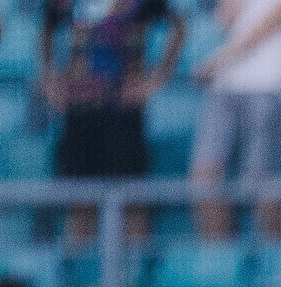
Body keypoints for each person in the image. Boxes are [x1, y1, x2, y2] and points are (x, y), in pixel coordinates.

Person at [42, 0, 181, 249]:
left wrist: (158, 76)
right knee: (81, 202)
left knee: (132, 200)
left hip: (124, 112)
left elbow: (178, 25)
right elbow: (47, 26)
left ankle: (137, 271)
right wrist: (48, 77)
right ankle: (78, 271)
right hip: (80, 111)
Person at [192, 0, 281, 241]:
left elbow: (278, 17)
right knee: (204, 176)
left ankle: (275, 258)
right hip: (226, 85)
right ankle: (219, 259)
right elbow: (225, 20)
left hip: (270, 85)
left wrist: (220, 60)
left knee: (262, 182)